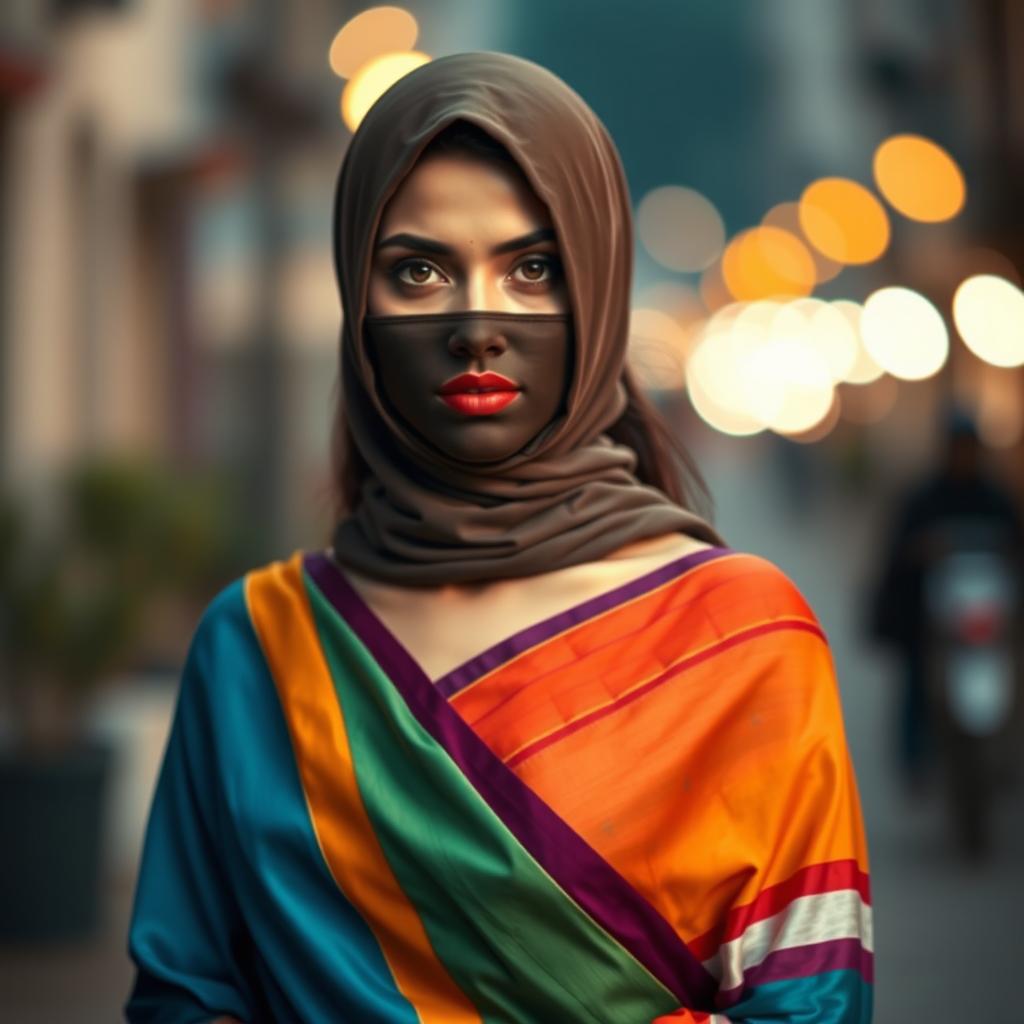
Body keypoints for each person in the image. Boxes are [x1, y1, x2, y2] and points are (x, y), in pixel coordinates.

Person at [125, 53, 872, 1023]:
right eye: (419, 270)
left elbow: (810, 1003)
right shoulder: (256, 650)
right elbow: (184, 997)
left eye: (533, 267)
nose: (477, 325)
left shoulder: (742, 638)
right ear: (359, 302)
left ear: (598, 290)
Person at [869, 407, 1024, 789]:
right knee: (918, 681)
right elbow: (898, 554)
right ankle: (915, 759)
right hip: (934, 618)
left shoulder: (994, 497)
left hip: (987, 614)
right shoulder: (923, 498)